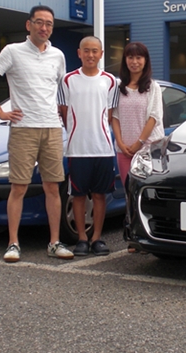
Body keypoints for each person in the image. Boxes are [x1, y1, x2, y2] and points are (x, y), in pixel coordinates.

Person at [0, 5, 73, 263]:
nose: (44, 28)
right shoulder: (13, 51)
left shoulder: (58, 55)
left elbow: (61, 92)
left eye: (49, 24)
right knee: (18, 187)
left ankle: (54, 242)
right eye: (39, 22)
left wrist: (65, 119)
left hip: (52, 128)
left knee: (52, 187)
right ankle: (13, 243)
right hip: (23, 129)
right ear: (28, 24)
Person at [58, 36, 119, 257]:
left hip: (102, 147)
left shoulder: (111, 81)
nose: (90, 55)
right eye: (86, 51)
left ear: (101, 54)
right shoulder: (68, 80)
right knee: (79, 195)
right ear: (79, 53)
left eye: (95, 51)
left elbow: (110, 115)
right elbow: (64, 112)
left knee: (101, 195)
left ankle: (97, 239)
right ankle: (82, 239)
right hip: (77, 148)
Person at [111, 42, 164, 253]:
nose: (134, 61)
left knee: (149, 192)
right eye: (130, 57)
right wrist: (121, 143)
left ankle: (156, 234)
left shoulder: (153, 86)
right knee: (129, 193)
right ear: (125, 60)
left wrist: (139, 143)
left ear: (145, 61)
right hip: (124, 150)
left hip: (149, 149)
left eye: (139, 57)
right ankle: (133, 237)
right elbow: (113, 116)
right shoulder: (118, 87)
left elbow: (154, 117)